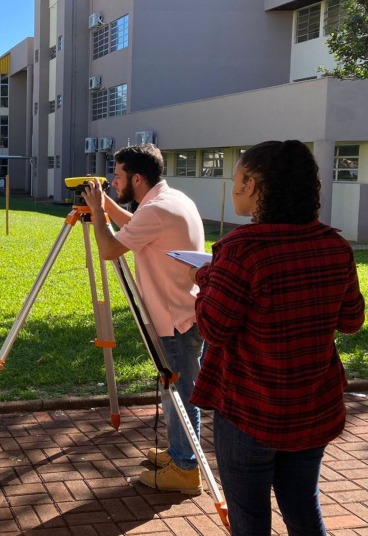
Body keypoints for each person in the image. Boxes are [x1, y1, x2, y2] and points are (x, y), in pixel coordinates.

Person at [190, 140, 364, 534]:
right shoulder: (335, 246)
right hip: (313, 405)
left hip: (250, 409)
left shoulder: (242, 250)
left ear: (251, 184)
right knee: (304, 507)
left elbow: (214, 329)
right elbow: (352, 320)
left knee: (249, 519)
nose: (232, 187)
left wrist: (202, 277)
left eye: (235, 179)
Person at [83, 144, 206, 494]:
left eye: (118, 176)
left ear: (137, 178)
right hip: (186, 313)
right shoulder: (169, 200)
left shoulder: (156, 211)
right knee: (176, 392)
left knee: (179, 395)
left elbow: (108, 250)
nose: (112, 180)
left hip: (175, 320)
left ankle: (185, 469)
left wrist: (97, 212)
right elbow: (136, 224)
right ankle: (180, 452)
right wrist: (106, 204)